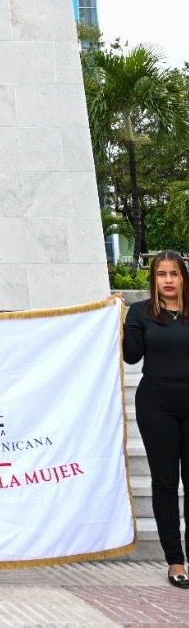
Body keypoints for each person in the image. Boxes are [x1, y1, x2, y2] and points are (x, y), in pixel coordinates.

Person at [125, 251, 189, 589]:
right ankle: (175, 561)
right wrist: (119, 321)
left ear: (183, 277)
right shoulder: (140, 312)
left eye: (174, 274)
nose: (168, 280)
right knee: (165, 483)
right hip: (156, 406)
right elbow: (131, 355)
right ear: (153, 278)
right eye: (162, 274)